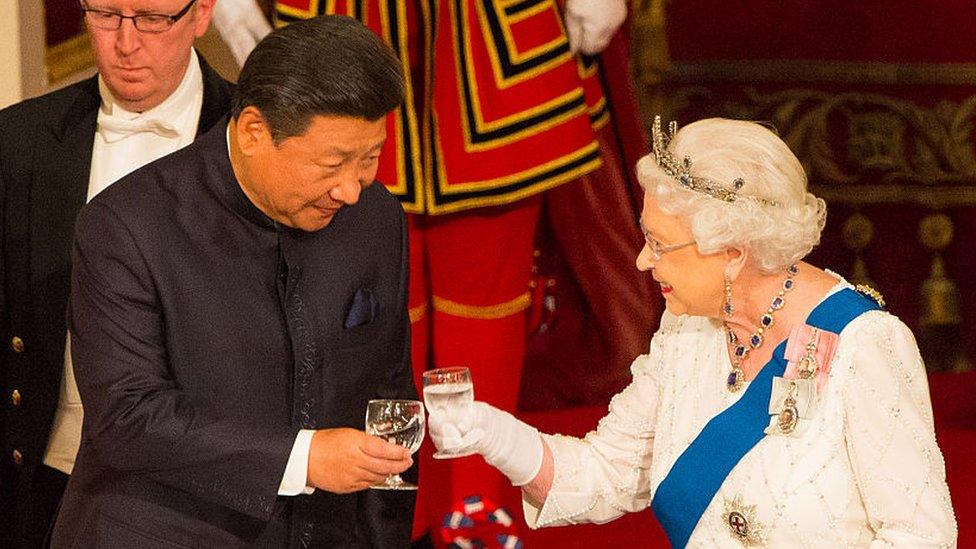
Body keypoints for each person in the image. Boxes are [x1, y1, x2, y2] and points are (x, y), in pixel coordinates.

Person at [210, 1, 656, 539]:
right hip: (344, 21)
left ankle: (477, 518)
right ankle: (378, 518)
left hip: (488, 31)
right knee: (363, 296)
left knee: (486, 302)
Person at [429, 118, 959, 547]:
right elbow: (604, 473)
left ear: (732, 252)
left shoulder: (865, 346)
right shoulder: (686, 331)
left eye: (660, 244)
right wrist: (489, 431)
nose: (641, 261)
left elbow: (919, 536)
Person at [50, 15, 417, 547]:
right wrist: (303, 459)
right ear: (253, 132)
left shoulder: (376, 218)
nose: (352, 190)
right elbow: (127, 417)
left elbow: (389, 393)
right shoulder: (126, 225)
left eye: (370, 159)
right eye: (333, 163)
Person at [0, 1, 231, 546]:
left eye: (152, 18)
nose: (126, 44)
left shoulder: (255, 138)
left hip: (212, 498)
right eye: (105, 15)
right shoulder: (19, 140)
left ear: (201, 14)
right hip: (47, 485)